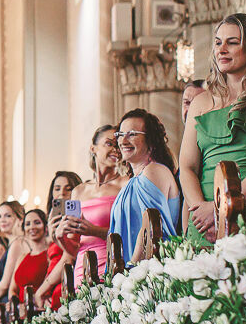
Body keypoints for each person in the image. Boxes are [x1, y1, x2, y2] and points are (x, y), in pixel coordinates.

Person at [178, 14, 246, 236]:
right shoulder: (201, 102)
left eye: (232, 43)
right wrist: (199, 210)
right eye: (218, 42)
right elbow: (187, 167)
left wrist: (219, 207)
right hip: (202, 220)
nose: (222, 49)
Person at [110, 109, 181, 263]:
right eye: (120, 135)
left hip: (147, 270)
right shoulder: (132, 180)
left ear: (151, 140)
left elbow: (150, 228)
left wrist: (131, 270)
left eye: (132, 134)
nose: (123, 141)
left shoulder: (154, 171)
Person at [66, 125, 127, 285]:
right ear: (93, 148)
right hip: (82, 266)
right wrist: (58, 236)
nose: (115, 149)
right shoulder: (77, 191)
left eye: (118, 145)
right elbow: (73, 243)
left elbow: (130, 231)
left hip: (113, 264)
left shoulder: (125, 184)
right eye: (109, 143)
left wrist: (93, 231)